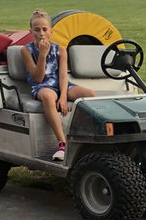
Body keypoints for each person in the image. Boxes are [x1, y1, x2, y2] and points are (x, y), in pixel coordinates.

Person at [20, 10, 95, 162]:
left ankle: (87, 137)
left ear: (51, 32)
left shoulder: (60, 50)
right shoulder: (26, 50)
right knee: (48, 97)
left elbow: (62, 76)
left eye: (44, 29)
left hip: (60, 85)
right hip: (42, 86)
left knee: (91, 95)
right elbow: (38, 78)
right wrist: (42, 54)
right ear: (31, 32)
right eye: (37, 29)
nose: (41, 33)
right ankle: (62, 144)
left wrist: (63, 97)